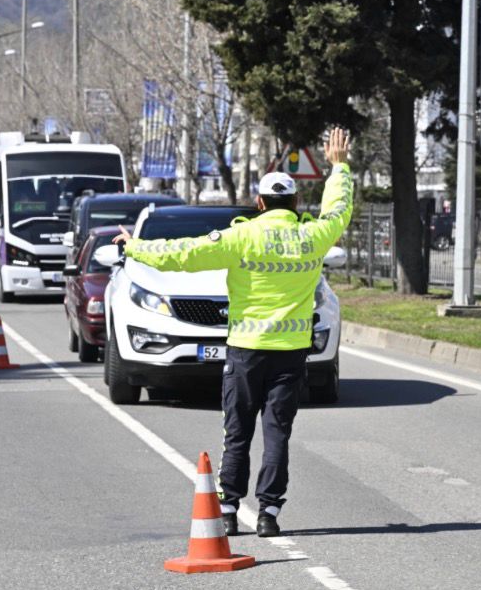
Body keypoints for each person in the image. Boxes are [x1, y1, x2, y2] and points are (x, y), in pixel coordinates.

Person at [113, 128, 353, 537]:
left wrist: (135, 247)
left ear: (259, 203)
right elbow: (338, 211)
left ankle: (227, 510)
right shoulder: (311, 237)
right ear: (295, 203)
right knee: (277, 432)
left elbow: (183, 254)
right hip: (291, 353)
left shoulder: (242, 235)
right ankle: (269, 514)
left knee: (237, 430)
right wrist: (339, 167)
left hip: (245, 352)